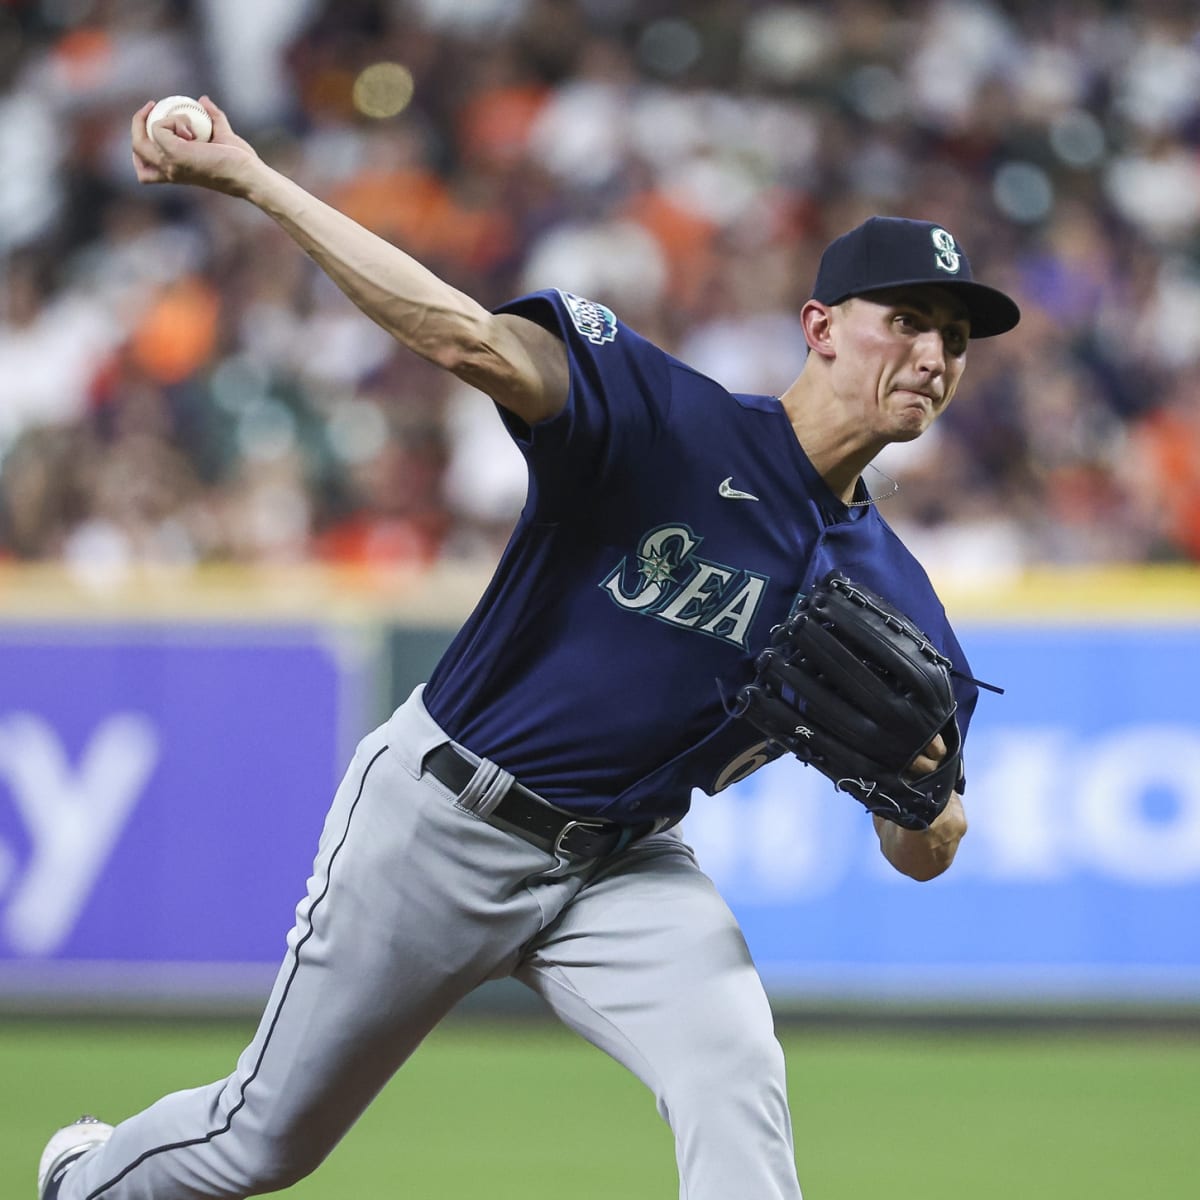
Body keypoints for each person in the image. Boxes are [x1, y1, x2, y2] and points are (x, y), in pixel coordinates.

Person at [37, 97, 1019, 1200]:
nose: (935, 353)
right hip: (444, 821)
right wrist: (255, 179)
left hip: (623, 864)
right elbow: (464, 334)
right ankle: (83, 1179)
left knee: (735, 1073)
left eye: (957, 337)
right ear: (822, 325)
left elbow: (927, 843)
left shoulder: (899, 597)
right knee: (260, 1144)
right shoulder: (664, 418)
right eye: (909, 319)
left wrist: (924, 806)